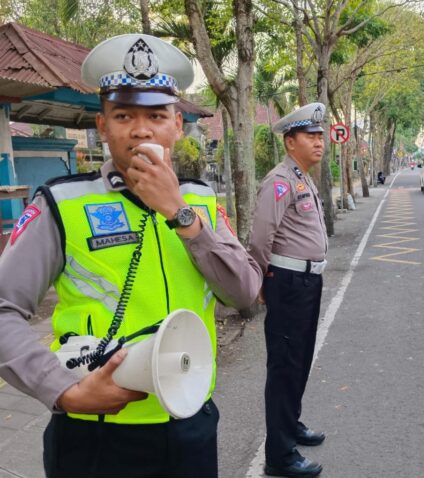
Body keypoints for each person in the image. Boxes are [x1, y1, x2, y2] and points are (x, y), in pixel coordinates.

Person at [0, 34, 262, 478]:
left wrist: (180, 215)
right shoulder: (62, 203)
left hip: (190, 422)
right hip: (96, 435)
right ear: (102, 128)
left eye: (157, 115)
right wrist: (63, 389)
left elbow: (246, 293)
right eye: (124, 115)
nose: (141, 129)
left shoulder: (199, 201)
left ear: (177, 125)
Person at [248, 103, 329, 478]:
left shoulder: (303, 177)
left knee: (300, 360)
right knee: (284, 367)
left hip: (308, 282)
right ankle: (278, 456)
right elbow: (261, 238)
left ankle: (290, 425)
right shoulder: (278, 181)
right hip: (288, 284)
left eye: (320, 135)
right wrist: (261, 280)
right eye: (311, 136)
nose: (319, 142)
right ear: (290, 141)